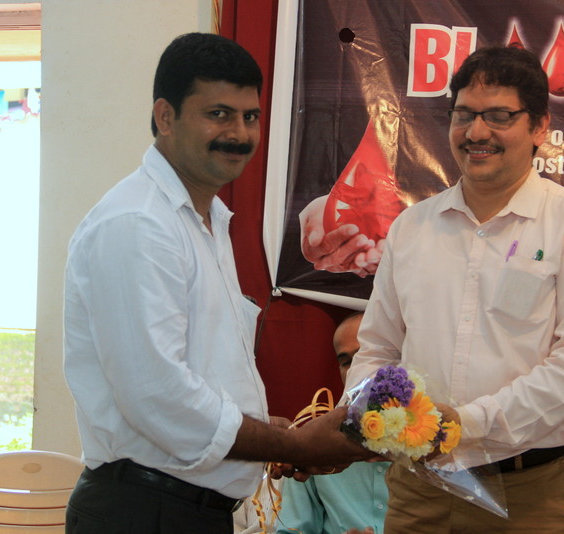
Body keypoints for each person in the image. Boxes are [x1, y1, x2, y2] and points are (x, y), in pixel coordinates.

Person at [63, 33, 371, 534]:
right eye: (219, 114)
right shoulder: (139, 224)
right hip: (143, 513)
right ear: (166, 116)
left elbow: (202, 379)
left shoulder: (208, 222)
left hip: (185, 512)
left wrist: (266, 431)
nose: (240, 134)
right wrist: (292, 444)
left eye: (250, 116)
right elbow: (158, 397)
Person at [344, 45, 564, 533]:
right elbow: (377, 348)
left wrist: (466, 423)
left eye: (499, 116)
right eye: (464, 116)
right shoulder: (413, 227)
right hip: (418, 491)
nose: (476, 133)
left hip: (531, 494)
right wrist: (376, 413)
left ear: (539, 127)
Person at [275, 312, 389, 534]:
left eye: (366, 356)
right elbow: (290, 530)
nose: (356, 370)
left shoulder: (436, 438)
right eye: (347, 362)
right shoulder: (316, 444)